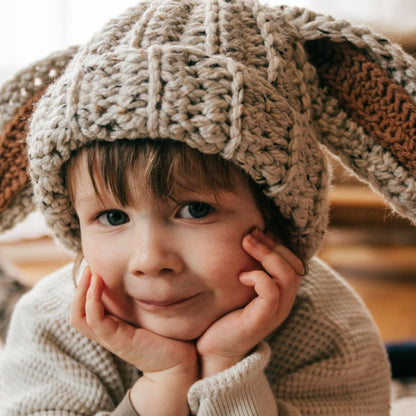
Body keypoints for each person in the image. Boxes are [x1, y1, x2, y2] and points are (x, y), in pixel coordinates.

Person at [1, 0, 416, 414]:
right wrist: (163, 385)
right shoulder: (49, 326)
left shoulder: (333, 337)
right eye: (113, 217)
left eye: (195, 210)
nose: (150, 260)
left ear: (278, 214)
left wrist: (225, 367)